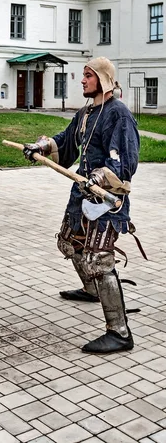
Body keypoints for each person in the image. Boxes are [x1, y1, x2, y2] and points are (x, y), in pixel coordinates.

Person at [22, 57, 141, 354]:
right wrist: (41, 147)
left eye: (88, 76)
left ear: (102, 79)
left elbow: (125, 162)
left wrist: (98, 177)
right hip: (81, 196)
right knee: (70, 243)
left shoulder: (119, 115)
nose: (82, 80)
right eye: (84, 75)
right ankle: (91, 290)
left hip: (106, 201)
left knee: (99, 261)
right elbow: (67, 142)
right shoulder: (87, 112)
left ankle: (119, 331)